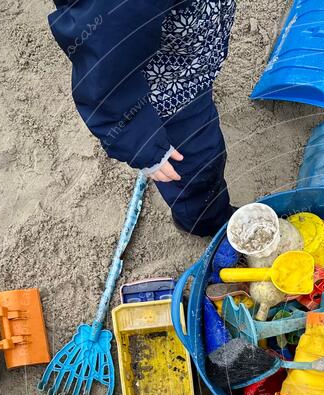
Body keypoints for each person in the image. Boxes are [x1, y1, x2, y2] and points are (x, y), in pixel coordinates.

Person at [48, 1, 237, 237]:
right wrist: (139, 139)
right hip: (166, 94)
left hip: (188, 58)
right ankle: (207, 222)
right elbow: (102, 70)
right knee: (195, 168)